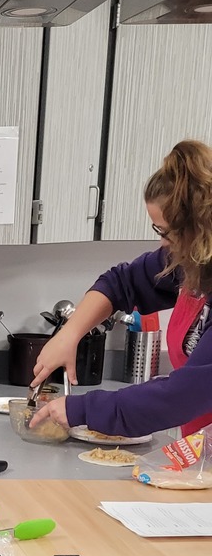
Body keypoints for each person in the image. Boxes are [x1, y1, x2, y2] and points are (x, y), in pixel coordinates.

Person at [30, 139, 212, 439]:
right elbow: (121, 283)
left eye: (165, 232)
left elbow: (184, 395)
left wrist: (83, 409)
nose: (163, 244)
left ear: (199, 229)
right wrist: (69, 334)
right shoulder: (192, 260)